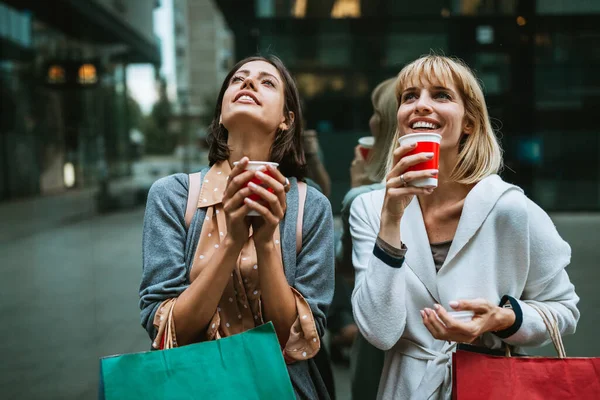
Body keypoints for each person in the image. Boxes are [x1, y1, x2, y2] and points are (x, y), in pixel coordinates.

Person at [349, 54, 580, 400]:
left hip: (493, 384)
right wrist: (392, 218)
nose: (421, 105)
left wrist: (501, 319)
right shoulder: (370, 209)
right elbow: (380, 332)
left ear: (469, 122)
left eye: (441, 95)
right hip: (407, 388)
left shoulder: (509, 208)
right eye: (409, 97)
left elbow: (563, 309)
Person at [139, 55, 335, 399]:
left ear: (286, 120)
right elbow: (168, 332)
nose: (248, 83)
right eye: (238, 79)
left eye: (267, 82)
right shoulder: (171, 196)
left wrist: (266, 243)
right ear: (220, 114)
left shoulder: (310, 206)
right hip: (194, 387)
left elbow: (299, 340)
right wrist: (231, 242)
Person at [333, 78, 399, 398]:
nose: (370, 120)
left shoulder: (363, 199)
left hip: (380, 363)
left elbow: (345, 270)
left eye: (376, 112)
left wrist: (356, 189)